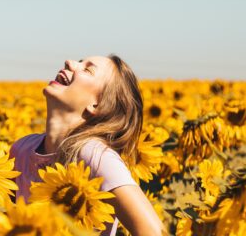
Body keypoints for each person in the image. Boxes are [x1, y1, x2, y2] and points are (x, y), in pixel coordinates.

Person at [10, 55, 163, 235]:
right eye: (79, 61)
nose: (69, 62)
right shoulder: (22, 149)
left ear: (97, 105)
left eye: (87, 69)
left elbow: (154, 232)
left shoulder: (96, 156)